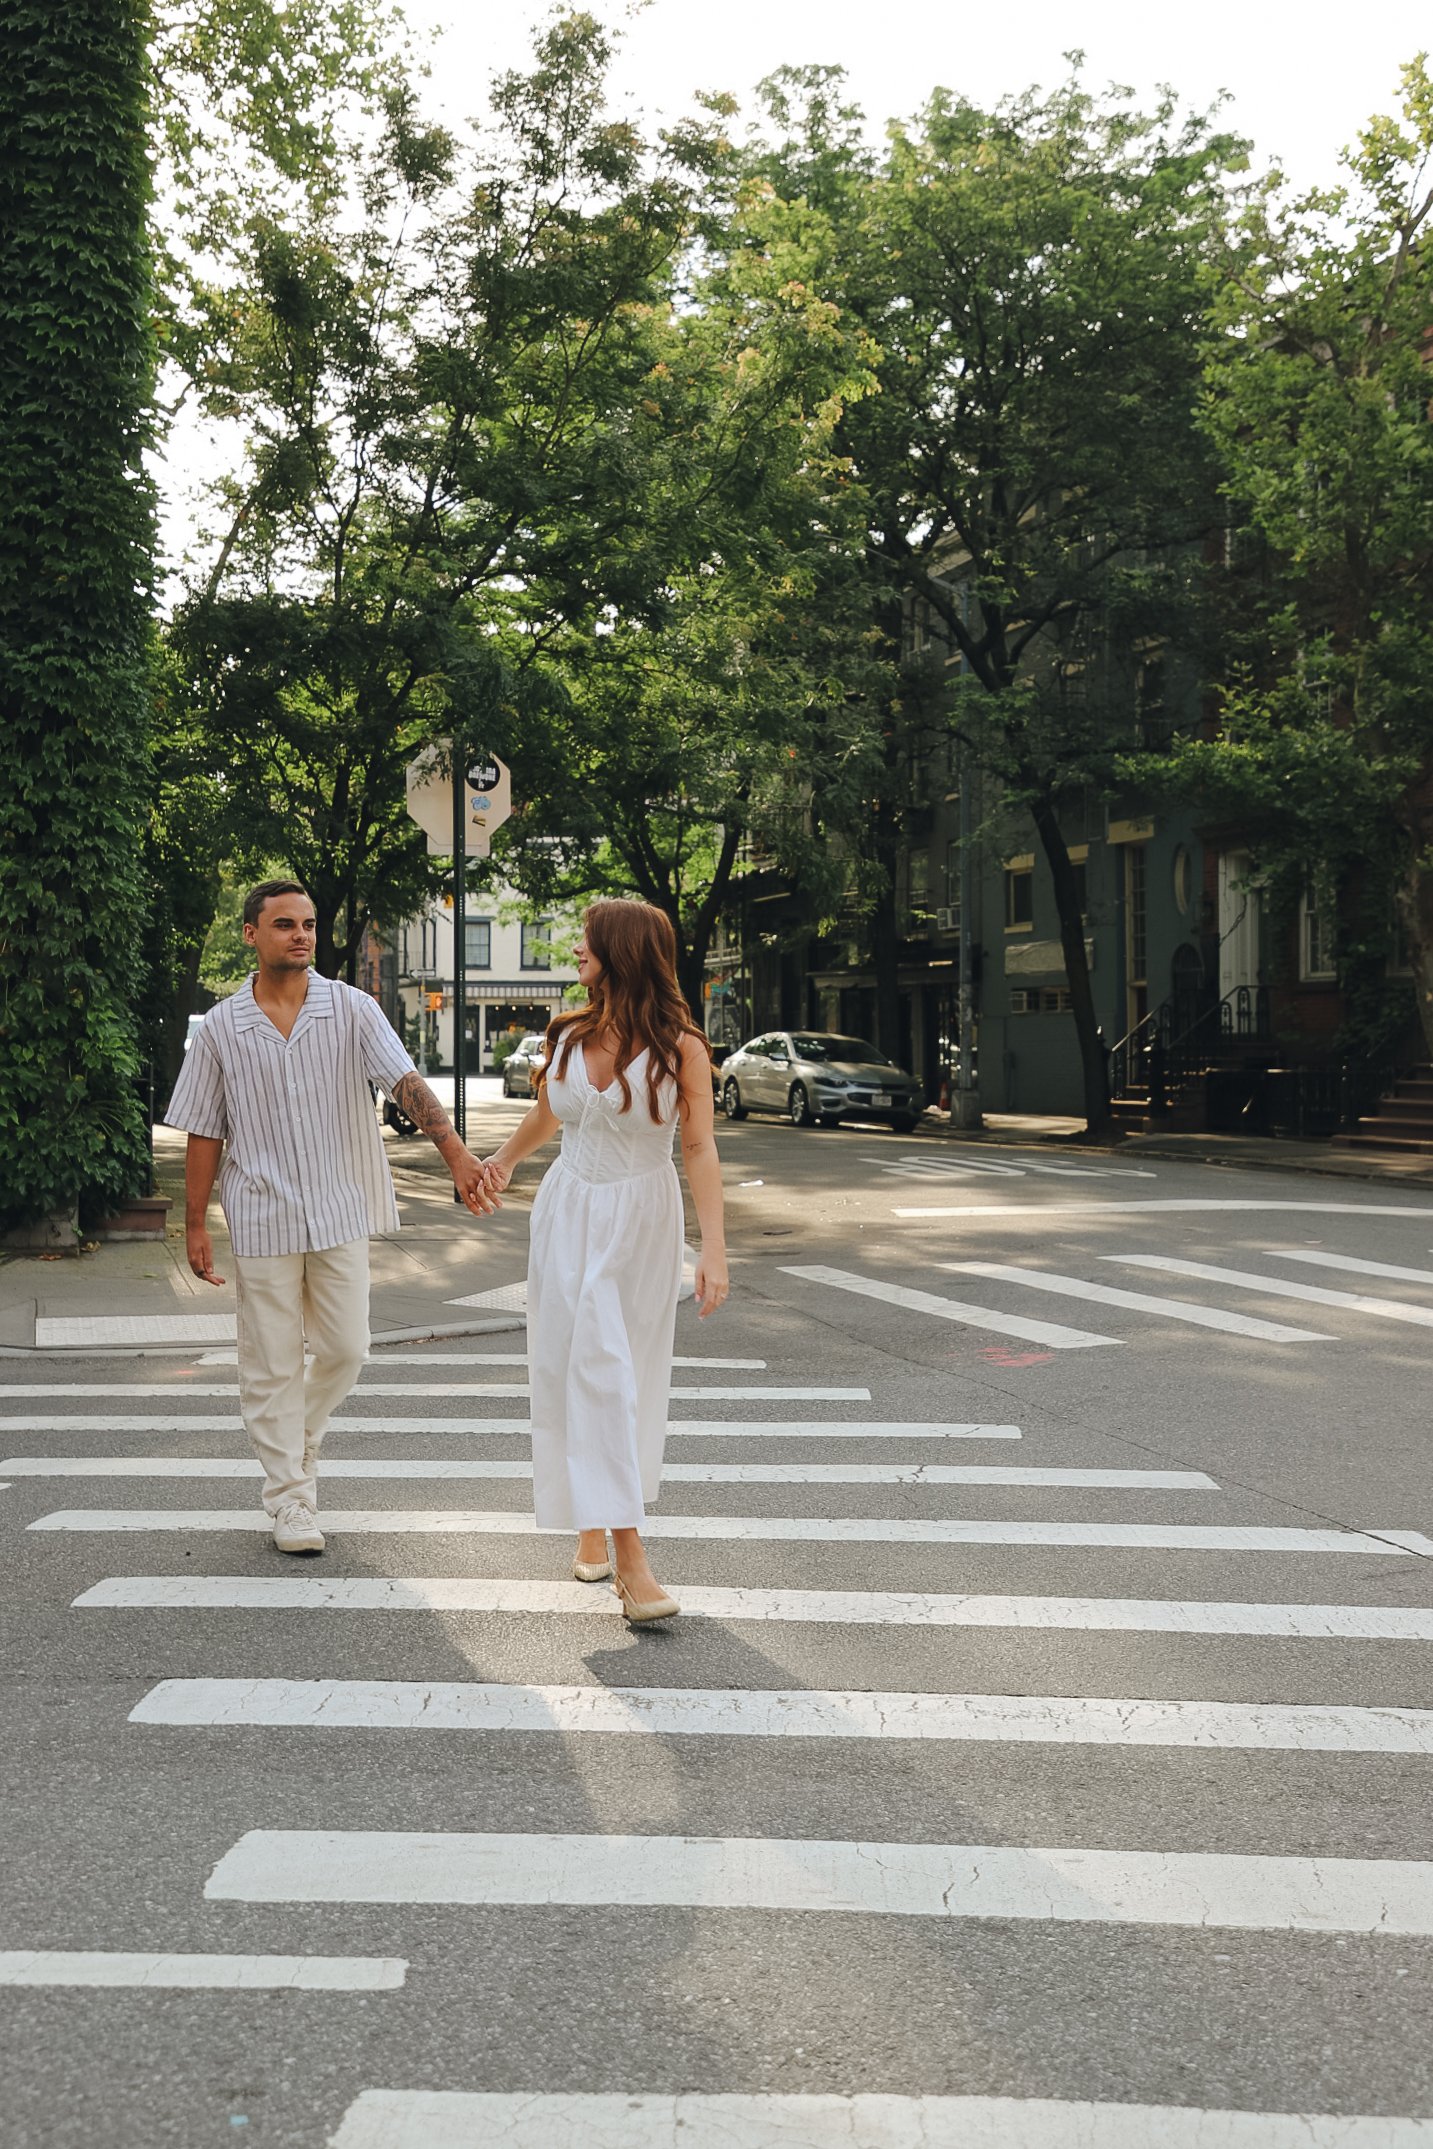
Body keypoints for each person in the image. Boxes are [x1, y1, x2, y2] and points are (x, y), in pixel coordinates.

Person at [165, 878, 498, 1554]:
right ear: (251, 934)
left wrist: (457, 1154)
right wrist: (195, 1224)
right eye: (285, 923)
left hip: (339, 1208)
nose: (302, 934)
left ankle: (298, 1434)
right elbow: (203, 1129)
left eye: (309, 923)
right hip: (261, 1217)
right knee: (270, 1364)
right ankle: (290, 1498)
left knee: (348, 1349)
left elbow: (405, 1083)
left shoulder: (352, 1008)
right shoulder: (225, 1025)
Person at [479, 898, 729, 1622]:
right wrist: (500, 1162)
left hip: (638, 1221)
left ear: (621, 950)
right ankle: (591, 1522)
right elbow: (549, 1114)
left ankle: (631, 1558)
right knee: (569, 1367)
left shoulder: (681, 1045)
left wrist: (712, 1249)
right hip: (566, 1212)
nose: (575, 953)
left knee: (614, 1373)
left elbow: (699, 1148)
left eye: (586, 942)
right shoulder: (566, 1033)